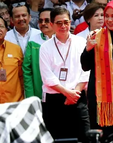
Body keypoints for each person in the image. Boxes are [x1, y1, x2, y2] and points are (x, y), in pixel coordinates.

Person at [81, 0, 113, 138]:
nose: (109, 20)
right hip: (100, 95)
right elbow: (85, 66)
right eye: (107, 16)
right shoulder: (96, 36)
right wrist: (88, 50)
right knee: (103, 135)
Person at [39, 7, 90, 142]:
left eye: (66, 22)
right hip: (54, 100)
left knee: (83, 137)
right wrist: (67, 93)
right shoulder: (45, 47)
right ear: (52, 25)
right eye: (59, 23)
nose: (63, 26)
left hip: (78, 97)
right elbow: (47, 77)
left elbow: (86, 71)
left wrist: (74, 93)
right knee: (56, 139)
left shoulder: (81, 42)